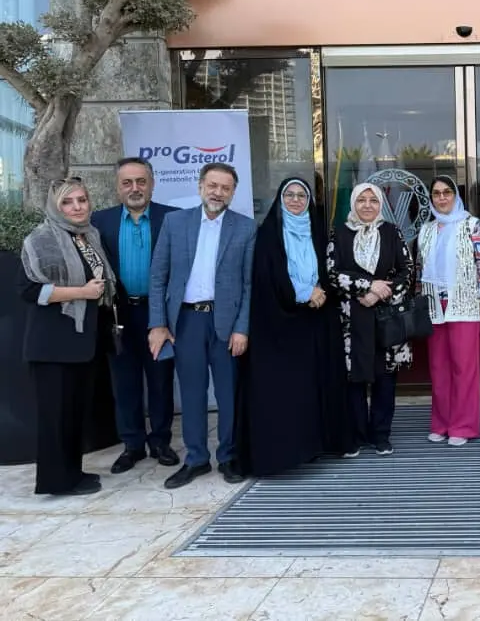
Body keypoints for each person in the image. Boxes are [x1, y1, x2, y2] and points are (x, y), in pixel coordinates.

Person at [148, 163, 256, 489]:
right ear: (200, 186)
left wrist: (242, 328)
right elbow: (158, 277)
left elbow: (249, 284)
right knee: (192, 394)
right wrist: (158, 324)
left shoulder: (246, 228)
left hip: (226, 323)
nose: (218, 192)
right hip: (186, 321)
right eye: (212, 185)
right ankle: (196, 459)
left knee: (228, 394)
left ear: (233, 193)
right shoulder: (174, 222)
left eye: (225, 188)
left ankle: (228, 456)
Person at [239, 178, 349, 477]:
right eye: (290, 194)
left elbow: (332, 269)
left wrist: (321, 291)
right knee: (287, 392)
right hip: (280, 324)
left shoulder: (319, 233)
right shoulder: (268, 235)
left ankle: (315, 446)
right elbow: (266, 277)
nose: (296, 200)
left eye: (302, 195)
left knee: (314, 387)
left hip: (316, 321)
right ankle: (288, 452)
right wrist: (304, 292)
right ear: (280, 199)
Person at [18, 178, 116, 496]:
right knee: (55, 419)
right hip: (52, 346)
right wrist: (81, 292)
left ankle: (73, 473)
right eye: (67, 202)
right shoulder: (41, 239)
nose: (76, 207)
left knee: (74, 414)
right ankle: (56, 482)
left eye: (81, 200)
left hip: (82, 344)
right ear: (55, 206)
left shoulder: (88, 236)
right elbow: (29, 290)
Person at [91, 157, 180, 474]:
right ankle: (132, 445)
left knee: (161, 381)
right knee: (124, 382)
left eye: (141, 181)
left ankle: (160, 442)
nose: (135, 188)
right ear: (117, 187)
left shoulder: (173, 218)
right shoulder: (98, 221)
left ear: (152, 184)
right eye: (127, 182)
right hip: (118, 314)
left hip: (159, 314)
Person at [328, 183, 414, 456]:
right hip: (351, 319)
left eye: (373, 200)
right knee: (353, 378)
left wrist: (378, 294)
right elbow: (332, 274)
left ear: (380, 205)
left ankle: (380, 434)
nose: (367, 205)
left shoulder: (391, 232)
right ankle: (357, 435)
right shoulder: (339, 233)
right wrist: (366, 286)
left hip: (386, 318)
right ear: (353, 203)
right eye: (362, 200)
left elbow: (407, 271)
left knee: (385, 377)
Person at [416, 175, 480, 447]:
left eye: (447, 192)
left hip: (465, 305)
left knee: (464, 369)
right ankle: (441, 423)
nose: (442, 198)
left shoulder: (473, 225)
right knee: (439, 369)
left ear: (455, 196)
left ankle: (463, 426)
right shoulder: (426, 230)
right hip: (435, 307)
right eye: (436, 193)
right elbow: (420, 268)